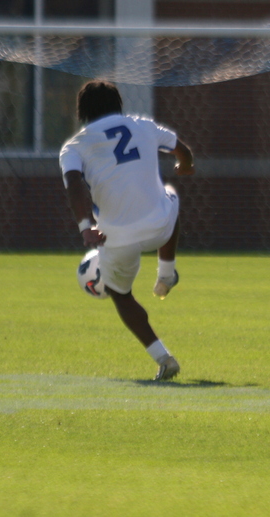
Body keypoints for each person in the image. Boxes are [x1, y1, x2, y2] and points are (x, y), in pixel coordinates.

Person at [59, 80, 195, 381]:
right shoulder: (142, 125)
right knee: (170, 198)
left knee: (121, 295)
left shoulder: (74, 146)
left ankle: (163, 358)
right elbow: (181, 150)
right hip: (158, 227)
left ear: (82, 113)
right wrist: (185, 165)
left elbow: (74, 186)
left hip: (114, 237)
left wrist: (85, 227)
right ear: (118, 105)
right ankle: (166, 273)